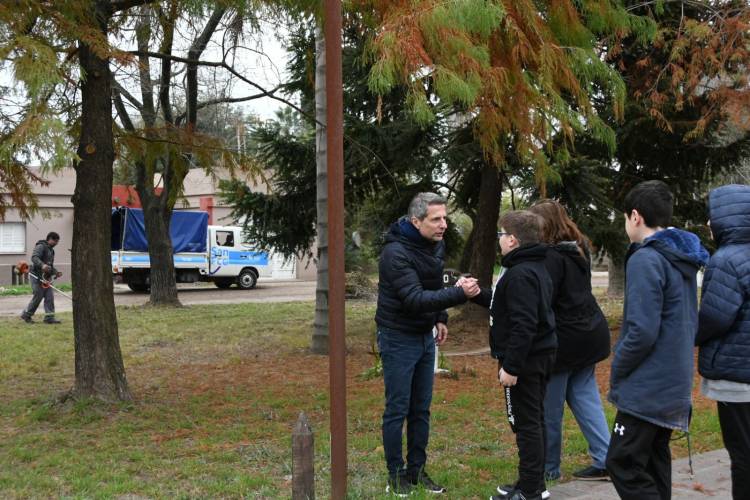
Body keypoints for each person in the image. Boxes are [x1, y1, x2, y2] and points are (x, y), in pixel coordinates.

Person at [606, 180, 708, 500]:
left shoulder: (646, 258)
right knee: (653, 460)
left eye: (625, 218)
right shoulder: (679, 255)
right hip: (673, 381)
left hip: (648, 385)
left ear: (635, 216)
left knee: (622, 462)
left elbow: (641, 330)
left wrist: (618, 365)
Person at [375, 192, 479, 496]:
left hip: (424, 335)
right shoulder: (395, 254)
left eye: (444, 217)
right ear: (415, 221)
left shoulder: (434, 244)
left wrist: (441, 317)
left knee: (421, 409)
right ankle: (396, 476)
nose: (443, 224)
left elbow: (433, 285)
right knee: (398, 408)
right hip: (397, 336)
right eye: (436, 219)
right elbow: (414, 298)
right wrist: (460, 295)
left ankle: (417, 471)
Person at [470, 210, 556, 500]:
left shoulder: (521, 274)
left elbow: (524, 324)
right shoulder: (530, 267)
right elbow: (504, 305)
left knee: (526, 424)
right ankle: (532, 482)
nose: (499, 240)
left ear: (513, 240)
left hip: (526, 361)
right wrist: (477, 295)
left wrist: (512, 366)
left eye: (501, 235)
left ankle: (530, 490)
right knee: (533, 420)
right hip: (537, 356)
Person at [528, 200, 611, 482]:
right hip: (589, 333)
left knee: (549, 407)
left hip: (564, 341)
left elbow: (544, 301)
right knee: (586, 397)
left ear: (545, 226)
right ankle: (606, 457)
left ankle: (548, 466)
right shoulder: (579, 248)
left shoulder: (550, 258)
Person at [695, 184, 750, 500]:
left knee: (742, 456)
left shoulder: (726, 260)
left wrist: (692, 335)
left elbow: (716, 318)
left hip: (738, 378)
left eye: (712, 217)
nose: (708, 225)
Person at [21, 231, 63, 324]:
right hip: (36, 275)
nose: (56, 243)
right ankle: (26, 315)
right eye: (55, 241)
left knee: (49, 297)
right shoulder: (41, 246)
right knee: (38, 296)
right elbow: (34, 257)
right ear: (50, 239)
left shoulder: (51, 251)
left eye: (57, 241)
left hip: (46, 278)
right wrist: (42, 265)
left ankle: (49, 318)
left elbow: (50, 265)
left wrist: (56, 272)